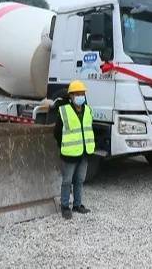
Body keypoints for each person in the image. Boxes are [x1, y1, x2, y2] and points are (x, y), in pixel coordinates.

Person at [52, 80, 95, 219]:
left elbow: (89, 129)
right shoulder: (64, 110)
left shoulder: (88, 110)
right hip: (70, 153)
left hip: (84, 152)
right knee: (67, 181)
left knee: (79, 180)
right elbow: (57, 132)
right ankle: (65, 206)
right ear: (71, 96)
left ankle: (77, 205)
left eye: (82, 94)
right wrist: (63, 145)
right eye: (77, 94)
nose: (80, 96)